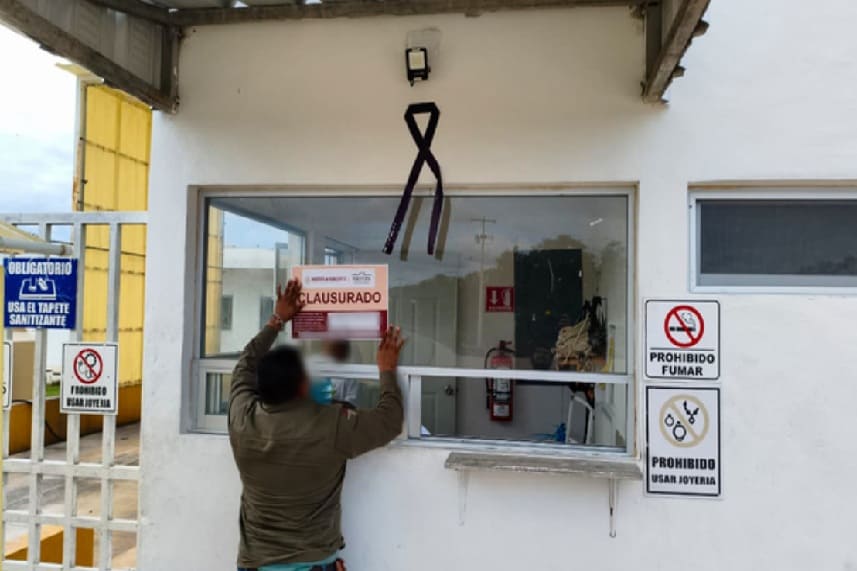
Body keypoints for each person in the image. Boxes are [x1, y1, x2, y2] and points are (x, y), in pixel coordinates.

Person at [229, 279, 405, 571]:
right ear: (302, 386)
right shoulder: (331, 425)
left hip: (256, 563)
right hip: (315, 563)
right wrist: (387, 369)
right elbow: (390, 421)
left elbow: (244, 366)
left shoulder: (242, 419)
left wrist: (277, 320)